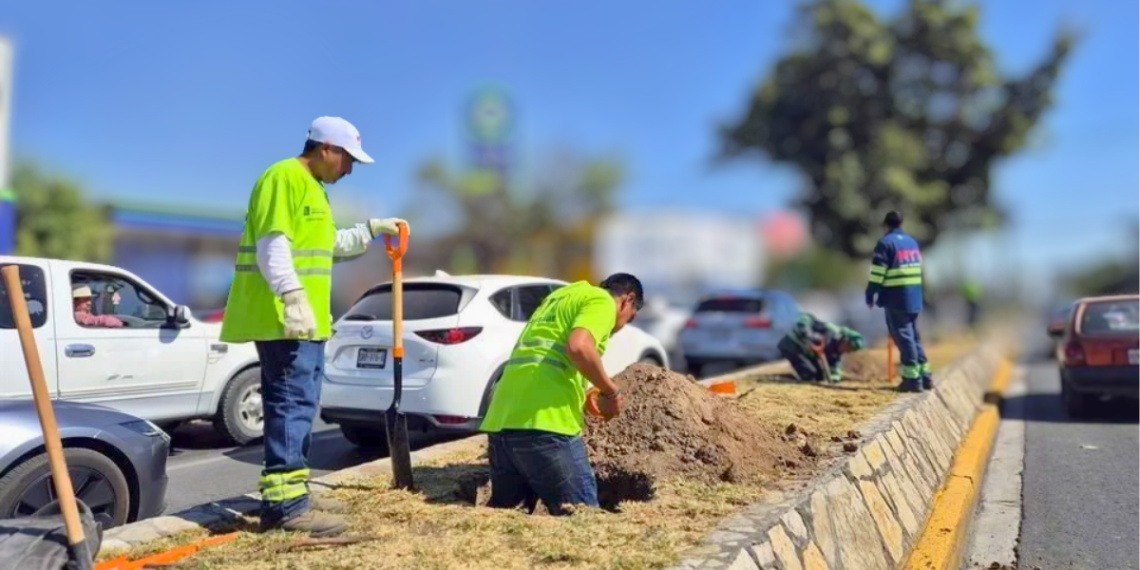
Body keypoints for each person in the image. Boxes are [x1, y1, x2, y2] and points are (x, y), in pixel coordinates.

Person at [219, 116, 410, 537]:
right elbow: (273, 246)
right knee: (291, 403)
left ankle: (293, 494)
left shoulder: (315, 191)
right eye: (348, 160)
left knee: (300, 405)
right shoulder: (282, 178)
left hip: (304, 321)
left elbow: (327, 247)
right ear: (327, 148)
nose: (350, 169)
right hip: (282, 318)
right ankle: (286, 508)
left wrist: (369, 230)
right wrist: (292, 295)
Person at [478, 273, 644, 515]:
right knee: (583, 519)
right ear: (627, 300)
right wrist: (611, 392)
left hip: (503, 421)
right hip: (546, 424)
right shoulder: (602, 301)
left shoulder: (560, 297)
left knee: (508, 521)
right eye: (630, 318)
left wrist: (583, 395)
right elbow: (579, 346)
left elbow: (549, 356)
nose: (623, 326)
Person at [865, 211, 931, 392]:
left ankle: (912, 380)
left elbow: (878, 272)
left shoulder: (886, 243)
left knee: (904, 337)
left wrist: (871, 294)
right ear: (901, 224)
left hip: (897, 298)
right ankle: (925, 376)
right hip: (914, 297)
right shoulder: (912, 243)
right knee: (913, 336)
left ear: (885, 225)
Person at [777, 313, 865, 383]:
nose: (847, 351)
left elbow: (835, 367)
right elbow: (807, 317)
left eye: (851, 350)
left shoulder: (837, 353)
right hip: (792, 344)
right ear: (845, 340)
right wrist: (806, 330)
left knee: (819, 376)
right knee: (809, 373)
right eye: (849, 347)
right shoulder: (831, 330)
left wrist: (834, 378)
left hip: (808, 353)